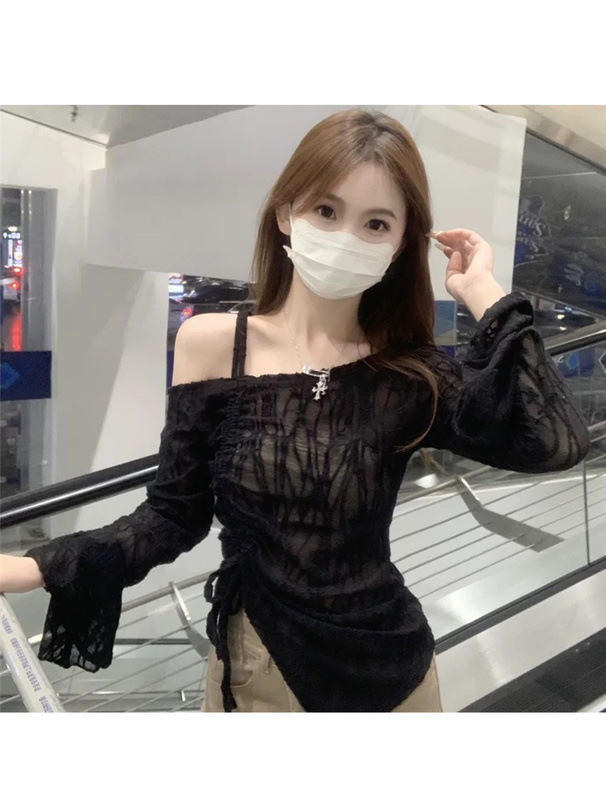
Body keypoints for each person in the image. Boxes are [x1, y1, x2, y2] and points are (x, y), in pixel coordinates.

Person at [0, 108, 591, 712]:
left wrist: (485, 294)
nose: (345, 236)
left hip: (391, 672)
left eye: (376, 223)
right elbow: (173, 514)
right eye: (326, 211)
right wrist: (35, 567)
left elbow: (556, 443)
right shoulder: (214, 344)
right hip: (254, 667)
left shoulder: (411, 374)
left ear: (399, 245)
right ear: (286, 212)